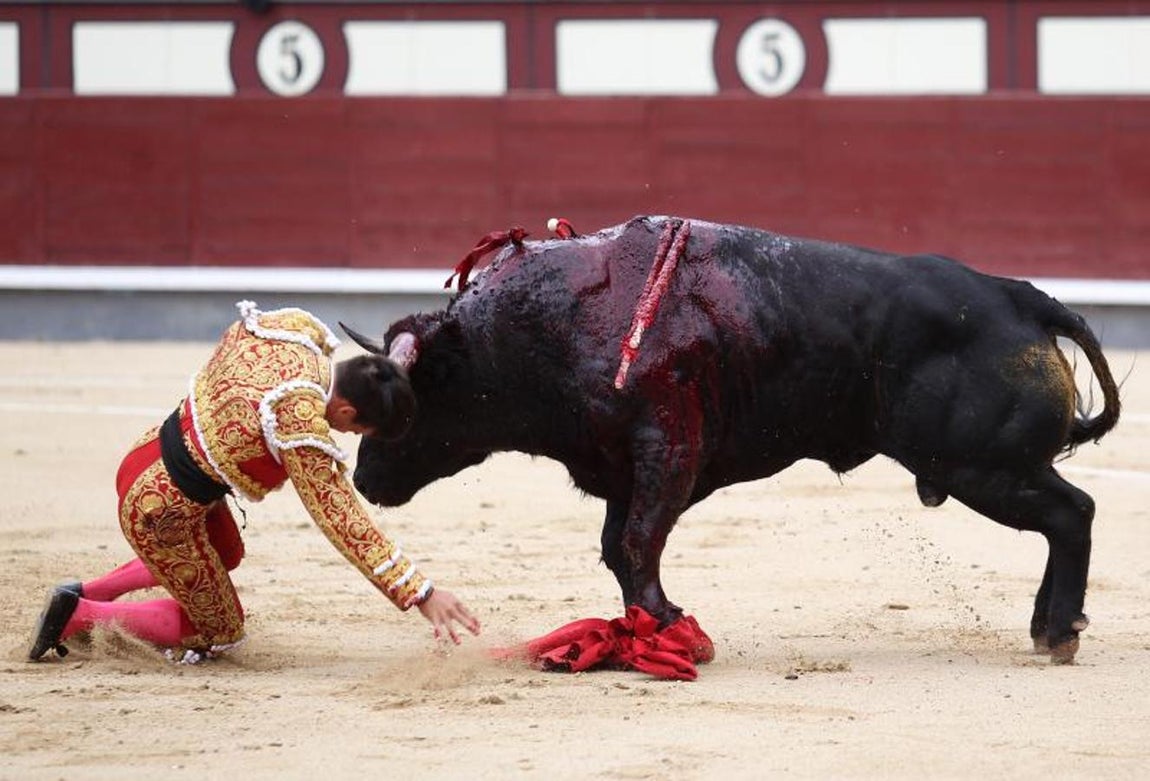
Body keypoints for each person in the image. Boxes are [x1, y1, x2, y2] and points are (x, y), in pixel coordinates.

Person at [29, 300, 480, 664]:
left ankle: (88, 590)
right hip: (161, 510)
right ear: (346, 412)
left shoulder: (294, 333)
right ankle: (80, 616)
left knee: (226, 552)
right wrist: (420, 592)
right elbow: (342, 522)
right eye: (359, 431)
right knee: (220, 632)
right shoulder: (300, 424)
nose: (349, 436)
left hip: (148, 454)